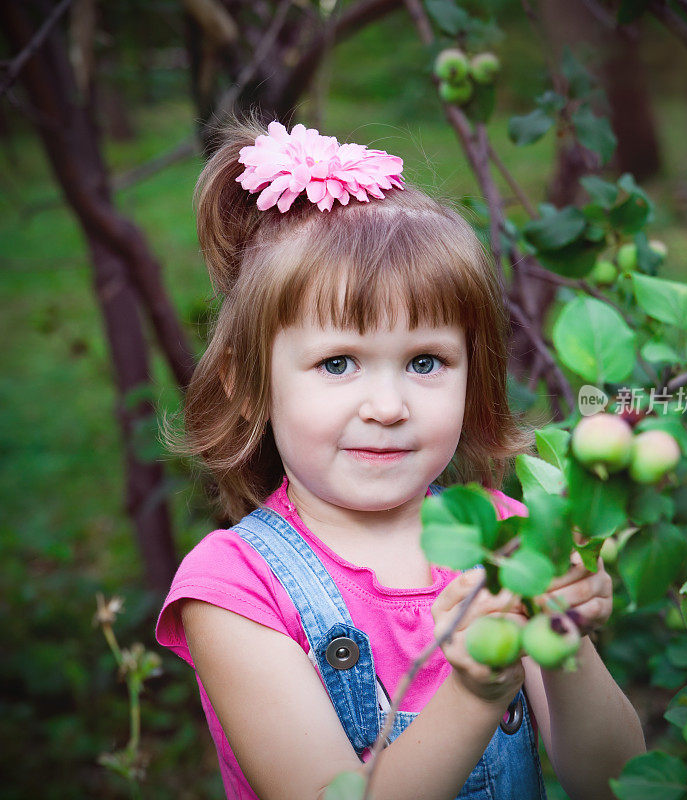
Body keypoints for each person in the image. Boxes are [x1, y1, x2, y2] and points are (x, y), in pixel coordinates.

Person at [156, 119, 646, 800]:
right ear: (248, 381)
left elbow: (616, 782)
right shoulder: (235, 589)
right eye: (337, 363)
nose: (387, 405)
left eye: (425, 361)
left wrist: (565, 645)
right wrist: (476, 690)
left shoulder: (503, 536)